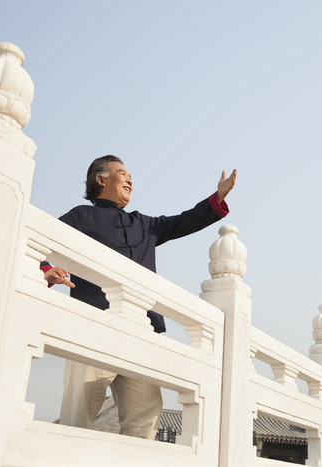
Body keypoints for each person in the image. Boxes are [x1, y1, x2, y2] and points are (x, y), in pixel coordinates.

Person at [41, 154, 236, 439]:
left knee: (145, 418)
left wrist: (217, 197)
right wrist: (47, 268)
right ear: (101, 179)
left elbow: (184, 221)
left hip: (142, 332)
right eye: (122, 173)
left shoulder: (145, 225)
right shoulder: (81, 216)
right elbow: (42, 240)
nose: (130, 178)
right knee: (77, 416)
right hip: (94, 325)